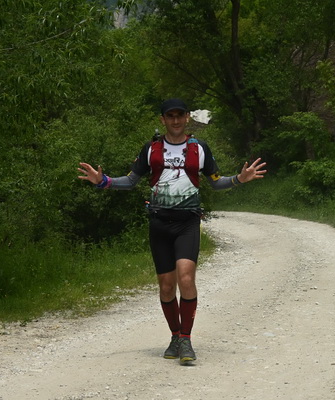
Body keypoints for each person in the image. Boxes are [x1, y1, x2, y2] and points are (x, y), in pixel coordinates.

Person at [77, 98, 266, 364]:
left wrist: (239, 179)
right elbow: (130, 181)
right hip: (159, 223)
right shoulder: (151, 149)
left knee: (186, 278)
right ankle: (175, 336)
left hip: (187, 222)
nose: (175, 120)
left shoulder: (199, 148)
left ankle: (186, 340)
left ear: (187, 117)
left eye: (179, 115)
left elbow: (216, 182)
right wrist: (103, 181)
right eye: (170, 116)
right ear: (162, 119)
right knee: (167, 287)